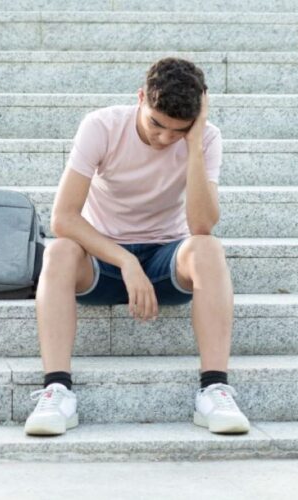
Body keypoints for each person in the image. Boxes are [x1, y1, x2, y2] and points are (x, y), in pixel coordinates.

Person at [24, 57, 250, 436]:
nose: (163, 138)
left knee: (208, 248)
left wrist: (192, 146)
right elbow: (63, 218)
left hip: (167, 260)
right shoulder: (102, 126)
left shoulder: (206, 138)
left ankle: (214, 389)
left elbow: (201, 225)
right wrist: (126, 261)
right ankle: (57, 390)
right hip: (104, 261)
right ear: (141, 97)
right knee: (59, 250)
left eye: (177, 131)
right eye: (156, 124)